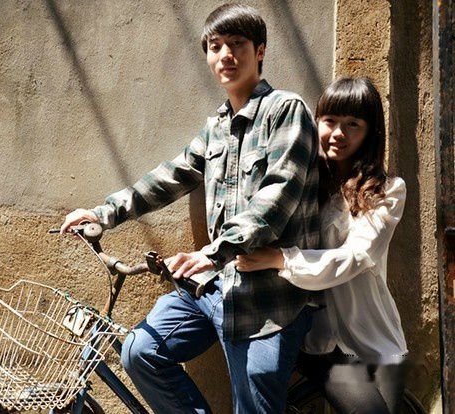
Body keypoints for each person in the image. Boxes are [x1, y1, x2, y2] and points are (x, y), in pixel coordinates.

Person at [61, 4, 319, 413]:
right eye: (216, 46)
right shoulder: (216, 128)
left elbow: (276, 201)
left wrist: (212, 252)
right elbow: (169, 177)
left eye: (237, 44)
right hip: (214, 286)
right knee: (139, 351)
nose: (226, 55)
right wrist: (104, 213)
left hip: (269, 300)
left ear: (260, 51)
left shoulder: (286, 111)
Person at [235, 77, 408, 413]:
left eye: (353, 124)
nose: (338, 133)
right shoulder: (304, 183)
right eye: (329, 121)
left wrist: (282, 259)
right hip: (317, 342)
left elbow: (354, 257)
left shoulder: (386, 191)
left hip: (371, 342)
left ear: (371, 132)